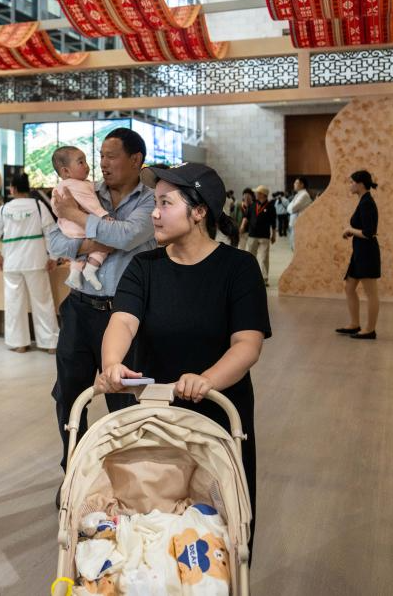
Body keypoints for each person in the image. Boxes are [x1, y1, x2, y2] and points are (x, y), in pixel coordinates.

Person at [99, 162, 270, 557]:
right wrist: (112, 363)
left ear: (199, 211)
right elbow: (122, 321)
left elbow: (247, 343)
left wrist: (207, 380)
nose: (154, 213)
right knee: (153, 519)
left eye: (166, 203)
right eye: (155, 202)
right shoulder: (145, 267)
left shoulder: (238, 268)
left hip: (218, 415)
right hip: (156, 416)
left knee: (224, 524)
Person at [46, 128, 156, 475]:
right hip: (80, 309)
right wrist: (99, 238)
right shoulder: (84, 190)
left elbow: (129, 235)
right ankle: (74, 472)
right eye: (100, 157)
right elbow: (55, 243)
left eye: (111, 156)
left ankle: (124, 477)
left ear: (136, 160)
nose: (102, 164)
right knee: (68, 396)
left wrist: (79, 218)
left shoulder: (150, 201)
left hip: (126, 316)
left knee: (124, 399)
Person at [0, 172, 59, 353]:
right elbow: (52, 232)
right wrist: (54, 256)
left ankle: (19, 343)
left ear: (13, 189)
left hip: (12, 262)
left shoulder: (5, 209)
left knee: (14, 302)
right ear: (28, 188)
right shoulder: (38, 206)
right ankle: (50, 344)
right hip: (36, 261)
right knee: (42, 301)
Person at [50, 146, 112, 291]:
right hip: (79, 226)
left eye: (85, 161)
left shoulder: (59, 187)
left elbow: (56, 208)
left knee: (79, 252)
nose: (86, 166)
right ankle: (91, 268)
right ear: (66, 171)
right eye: (81, 162)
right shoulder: (77, 185)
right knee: (105, 243)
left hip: (67, 229)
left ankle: (74, 274)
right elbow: (91, 204)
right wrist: (104, 216)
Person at [337, 170, 380, 340]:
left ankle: (370, 330)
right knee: (349, 287)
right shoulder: (363, 201)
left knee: (371, 293)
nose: (350, 185)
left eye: (352, 182)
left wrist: (350, 229)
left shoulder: (367, 203)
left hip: (367, 253)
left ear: (360, 184)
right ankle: (354, 324)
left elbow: (369, 233)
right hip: (360, 252)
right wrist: (352, 232)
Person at [243, 185, 277, 284]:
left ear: (262, 194)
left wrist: (274, 235)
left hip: (264, 236)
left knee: (264, 258)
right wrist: (242, 227)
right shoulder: (253, 205)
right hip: (252, 235)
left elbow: (273, 223)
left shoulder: (270, 207)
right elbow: (246, 217)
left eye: (257, 193)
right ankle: (250, 276)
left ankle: (264, 278)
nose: (256, 194)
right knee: (250, 257)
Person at [287, 177, 313, 251]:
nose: (294, 184)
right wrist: (291, 209)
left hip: (299, 224)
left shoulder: (304, 195)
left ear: (302, 184)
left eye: (296, 183)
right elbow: (288, 208)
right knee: (293, 246)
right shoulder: (298, 194)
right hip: (294, 223)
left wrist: (291, 208)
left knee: (296, 247)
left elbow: (292, 208)